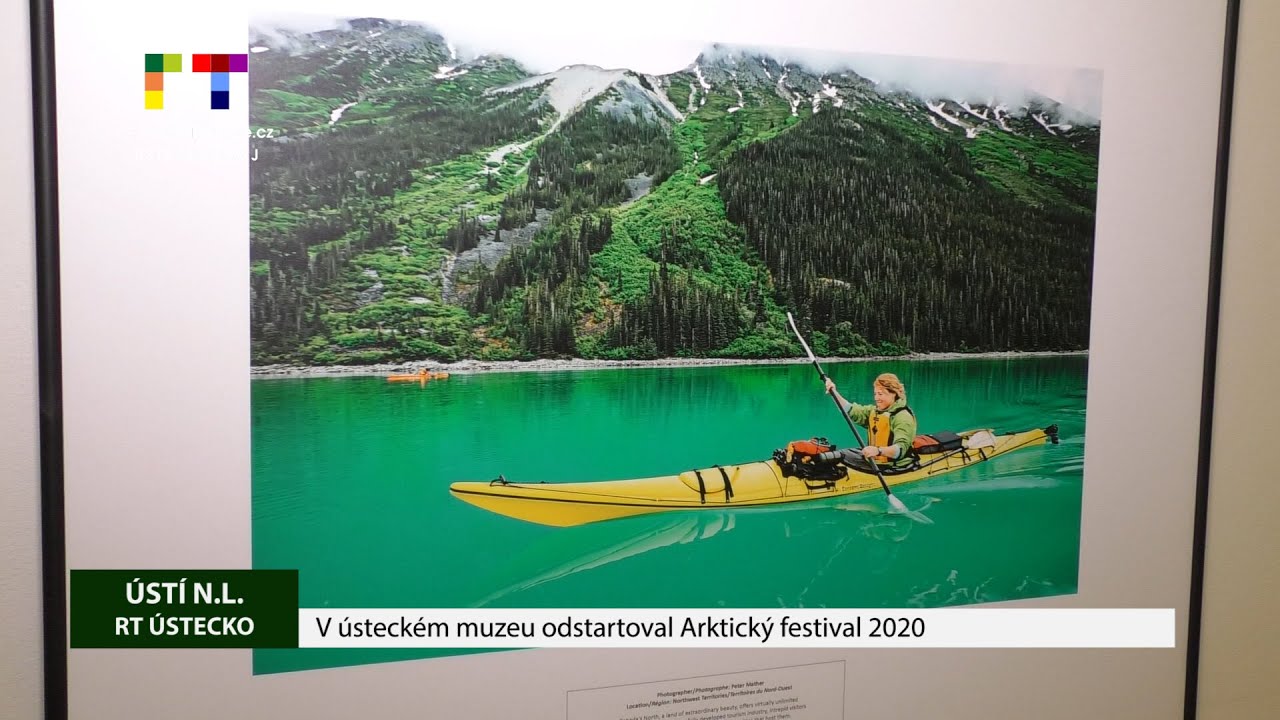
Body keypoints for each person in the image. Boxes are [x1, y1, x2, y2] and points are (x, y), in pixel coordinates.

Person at [824, 373, 917, 470]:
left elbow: (900, 449)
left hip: (895, 465)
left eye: (880, 394)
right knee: (839, 455)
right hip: (873, 460)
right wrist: (834, 393)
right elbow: (851, 410)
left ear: (894, 393)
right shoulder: (874, 411)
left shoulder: (902, 417)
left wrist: (878, 451)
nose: (876, 398)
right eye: (875, 394)